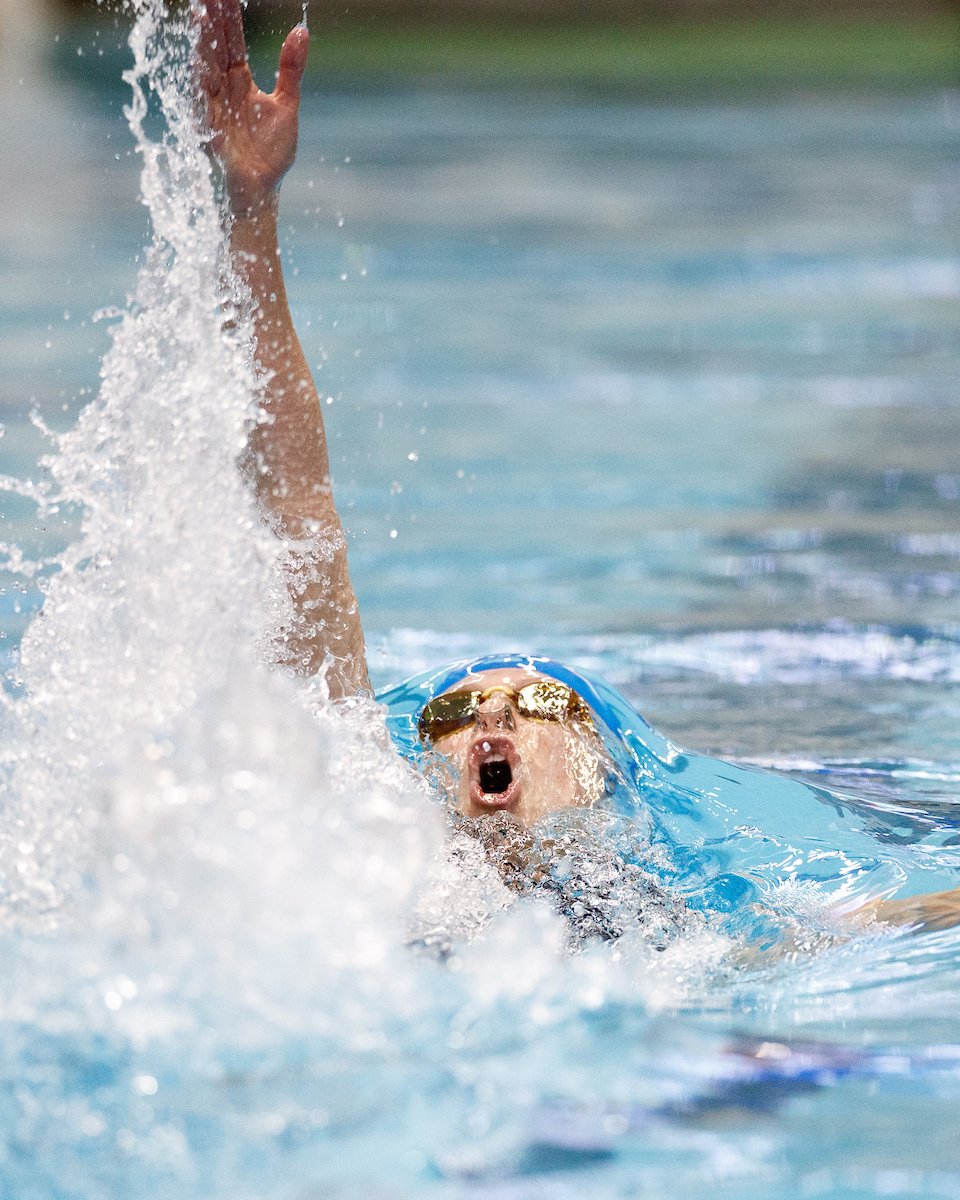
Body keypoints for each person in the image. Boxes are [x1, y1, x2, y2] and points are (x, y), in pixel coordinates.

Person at [196, 0, 960, 939]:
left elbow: (871, 924)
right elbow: (297, 510)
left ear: (596, 765)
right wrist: (248, 214)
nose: (491, 720)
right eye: (452, 712)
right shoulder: (357, 856)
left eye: (538, 702)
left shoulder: (666, 921)